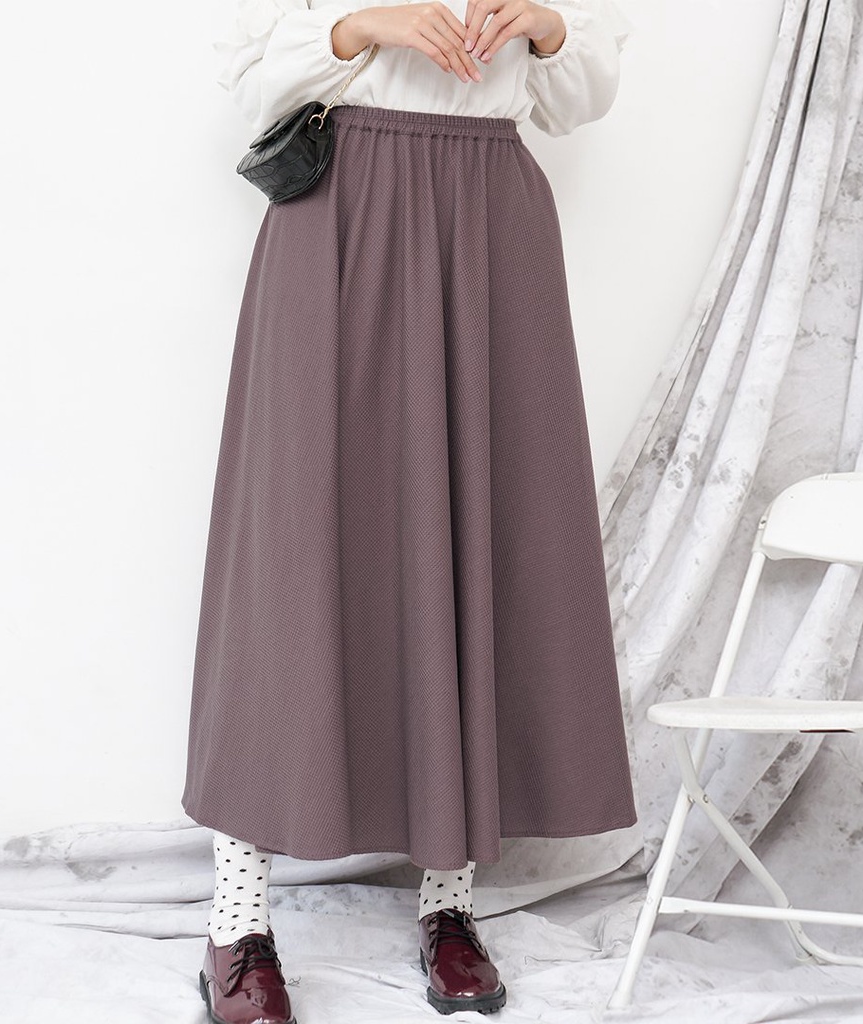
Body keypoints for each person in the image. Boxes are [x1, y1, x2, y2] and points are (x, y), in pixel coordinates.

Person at [182, 2, 637, 1021]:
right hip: (338, 215)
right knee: (289, 551)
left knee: (480, 535)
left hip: (490, 220)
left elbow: (580, 97)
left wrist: (550, 30)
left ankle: (448, 903)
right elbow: (251, 82)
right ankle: (237, 920)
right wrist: (356, 30)